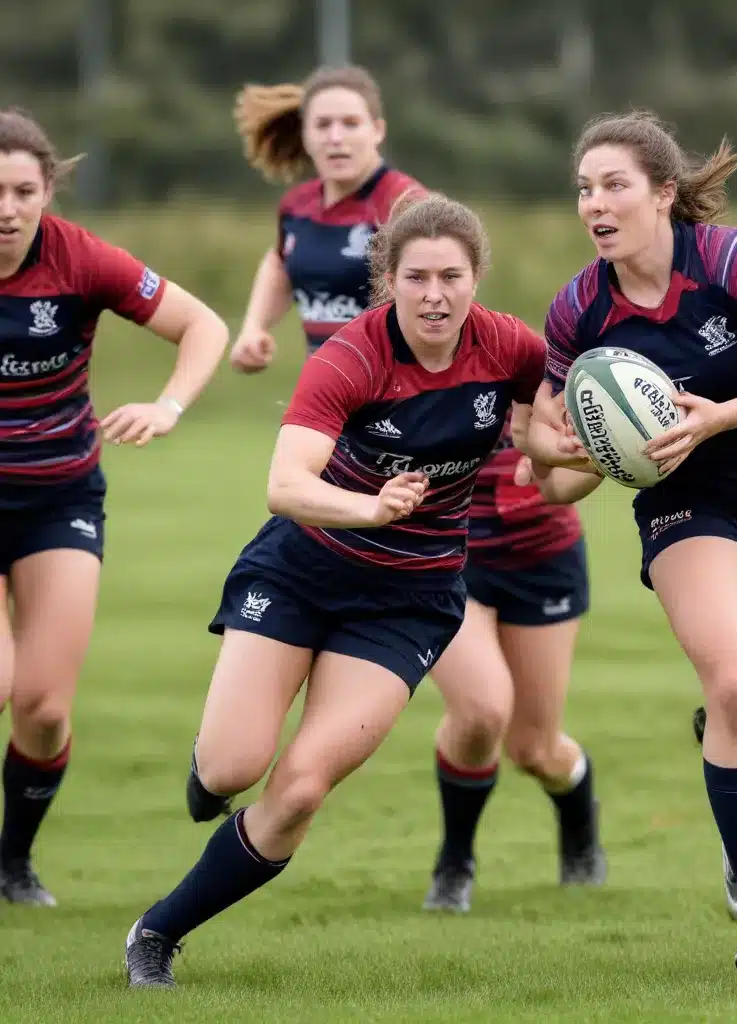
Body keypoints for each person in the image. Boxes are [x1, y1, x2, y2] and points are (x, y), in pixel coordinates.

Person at [123, 192, 548, 989]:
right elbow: (285, 485)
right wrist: (371, 507)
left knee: (300, 789)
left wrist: (558, 450)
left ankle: (157, 932)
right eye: (416, 276)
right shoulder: (351, 356)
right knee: (232, 766)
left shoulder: (508, 346)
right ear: (386, 280)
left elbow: (546, 410)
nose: (435, 294)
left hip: (409, 600)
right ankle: (210, 767)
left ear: (475, 279)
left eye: (451, 277)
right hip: (302, 571)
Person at [523, 111, 737, 973]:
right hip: (693, 507)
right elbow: (562, 478)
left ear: (663, 193)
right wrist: (554, 454)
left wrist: (722, 417)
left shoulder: (730, 263)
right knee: (736, 681)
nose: (593, 204)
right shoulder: (579, 311)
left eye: (613, 185)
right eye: (583, 189)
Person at [0, 109, 228, 907]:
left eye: (23, 190)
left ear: (48, 190)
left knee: (44, 706)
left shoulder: (80, 259)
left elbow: (202, 324)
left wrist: (168, 404)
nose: (6, 208)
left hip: (59, 494)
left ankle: (14, 860)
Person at [421, 402, 605, 913]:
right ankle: (455, 863)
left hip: (542, 557)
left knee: (535, 749)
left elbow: (595, 447)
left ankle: (578, 814)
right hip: (447, 559)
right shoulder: (403, 368)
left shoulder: (536, 364)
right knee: (481, 710)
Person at [229, 65, 424, 371]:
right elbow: (280, 261)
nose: (335, 137)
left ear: (378, 130)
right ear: (305, 133)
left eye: (350, 124)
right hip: (328, 394)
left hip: (399, 398)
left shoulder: (405, 205)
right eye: (322, 125)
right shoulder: (297, 206)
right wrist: (254, 328)